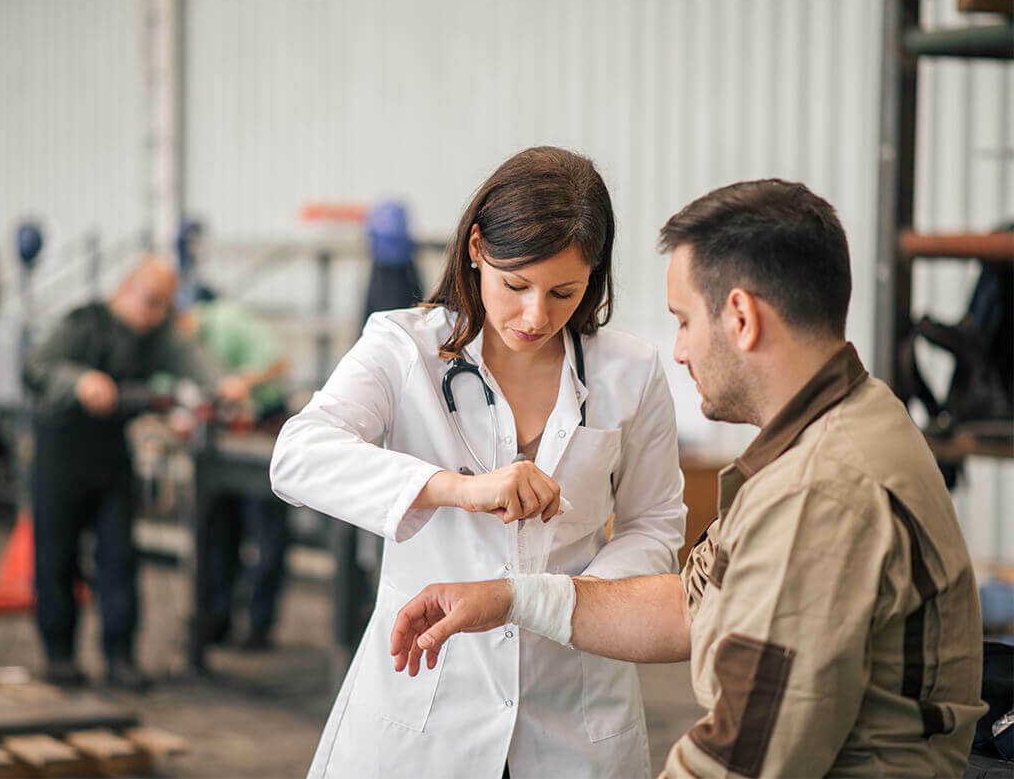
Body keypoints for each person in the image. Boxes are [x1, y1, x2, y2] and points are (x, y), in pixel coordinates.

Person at [390, 179, 987, 778]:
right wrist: (513, 597)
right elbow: (694, 608)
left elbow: (743, 758)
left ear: (742, 318)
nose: (676, 351)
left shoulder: (818, 491)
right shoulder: (851, 418)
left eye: (683, 321)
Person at [270, 146, 687, 778]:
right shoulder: (403, 347)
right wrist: (452, 490)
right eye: (514, 285)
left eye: (563, 293)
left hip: (575, 706)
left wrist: (561, 601)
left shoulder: (629, 370)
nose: (534, 316)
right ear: (474, 248)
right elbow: (298, 455)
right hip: (427, 710)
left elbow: (654, 526)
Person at [23, 255, 215, 691]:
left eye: (164, 306)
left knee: (118, 559)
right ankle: (59, 657)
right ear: (126, 289)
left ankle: (120, 658)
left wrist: (222, 384)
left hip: (111, 460)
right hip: (61, 457)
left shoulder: (156, 336)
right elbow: (35, 368)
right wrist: (79, 382)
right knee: (56, 559)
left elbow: (193, 361)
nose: (155, 315)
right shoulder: (83, 324)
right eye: (150, 302)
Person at [190, 292, 291, 651]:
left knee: (266, 536)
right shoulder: (180, 342)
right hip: (223, 432)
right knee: (219, 533)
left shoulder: (226, 322)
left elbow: (278, 361)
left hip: (263, 426)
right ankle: (216, 622)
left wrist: (244, 382)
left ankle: (258, 625)